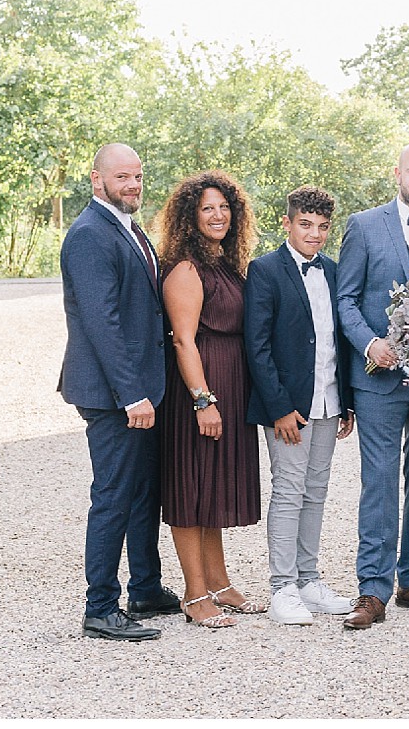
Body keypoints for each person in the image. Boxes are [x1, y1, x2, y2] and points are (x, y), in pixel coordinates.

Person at [59, 143, 180, 641]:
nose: (132, 185)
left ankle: (145, 587)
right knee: (113, 495)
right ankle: (100, 606)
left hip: (142, 388)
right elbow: (102, 322)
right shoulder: (89, 234)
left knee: (144, 493)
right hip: (115, 395)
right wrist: (133, 394)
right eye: (122, 177)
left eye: (138, 176)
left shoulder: (130, 228)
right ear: (96, 180)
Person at [336, 141, 409, 629]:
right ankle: (372, 589)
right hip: (378, 379)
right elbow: (345, 300)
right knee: (379, 482)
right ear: (397, 174)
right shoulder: (364, 226)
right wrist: (370, 345)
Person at [244, 186, 357, 625]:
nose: (315, 234)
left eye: (322, 227)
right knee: (289, 491)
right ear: (288, 223)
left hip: (328, 400)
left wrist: (346, 402)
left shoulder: (332, 270)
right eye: (305, 225)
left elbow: (337, 340)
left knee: (316, 491)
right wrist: (278, 408)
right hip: (288, 407)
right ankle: (281, 587)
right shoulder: (265, 271)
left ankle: (309, 580)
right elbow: (257, 347)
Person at [156, 169, 263, 629]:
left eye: (224, 207)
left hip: (231, 387)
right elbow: (183, 341)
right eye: (207, 208)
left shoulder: (225, 263)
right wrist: (204, 401)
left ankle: (219, 583)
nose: (218, 215)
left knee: (214, 489)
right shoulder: (185, 268)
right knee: (192, 489)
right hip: (199, 392)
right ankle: (194, 593)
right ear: (190, 217)